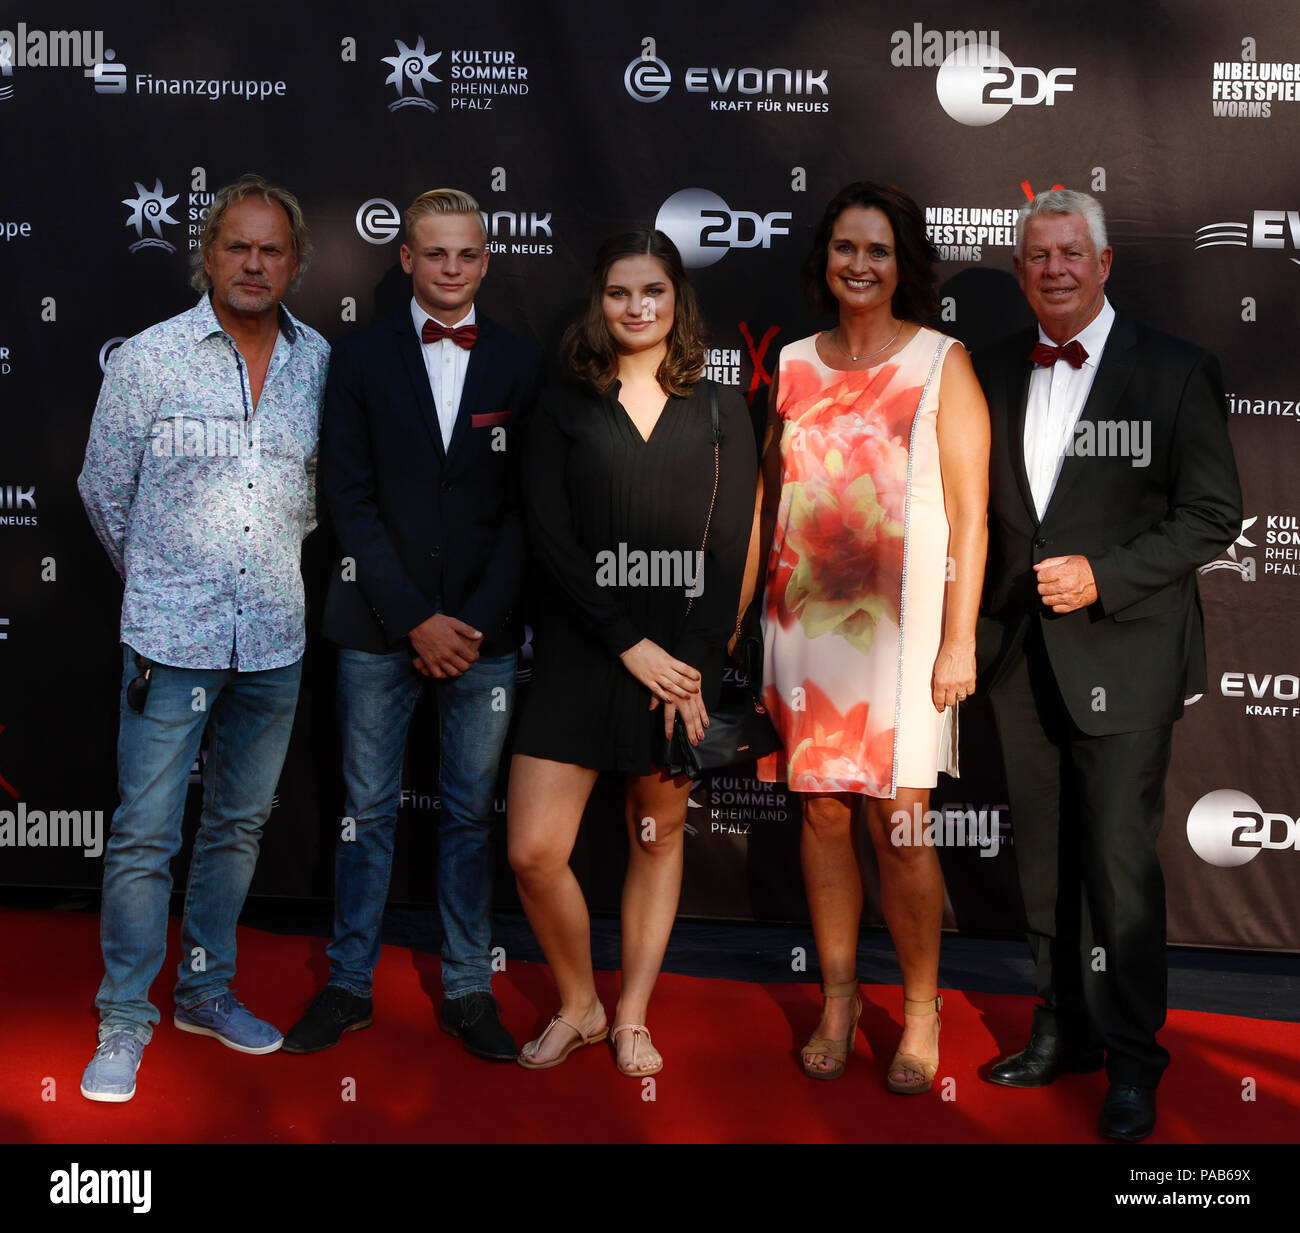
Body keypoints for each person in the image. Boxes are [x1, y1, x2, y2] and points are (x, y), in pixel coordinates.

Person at [974, 188, 1242, 1140]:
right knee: (1043, 861)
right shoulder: (992, 366)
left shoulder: (1174, 370)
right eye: (1037, 255)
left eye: (1070, 253)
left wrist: (1105, 577)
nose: (1053, 269)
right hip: (1015, 657)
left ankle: (1133, 1060)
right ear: (1019, 270)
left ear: (1104, 262)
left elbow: (1213, 514)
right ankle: (1062, 1029)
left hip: (1124, 653)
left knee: (1119, 868)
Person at [76, 175, 329, 1101]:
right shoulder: (149, 359)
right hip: (168, 640)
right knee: (146, 833)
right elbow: (104, 491)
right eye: (238, 247)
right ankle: (124, 1016)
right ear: (209, 256)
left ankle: (206, 990)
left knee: (236, 824)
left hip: (274, 639)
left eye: (272, 249)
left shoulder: (319, 363)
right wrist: (161, 582)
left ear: (295, 261)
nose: (255, 264)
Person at [282, 189, 542, 1061]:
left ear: (486, 259)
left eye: (467, 254)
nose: (452, 269)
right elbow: (347, 502)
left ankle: (468, 987)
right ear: (406, 259)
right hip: (374, 626)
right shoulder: (354, 359)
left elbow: (525, 511)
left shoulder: (519, 360)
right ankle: (349, 984)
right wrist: (414, 619)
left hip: (484, 633)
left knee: (472, 816)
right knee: (364, 812)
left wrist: (465, 621)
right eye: (435, 255)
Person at [753, 182, 989, 1090]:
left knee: (902, 825)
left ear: (905, 265)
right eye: (846, 247)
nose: (860, 264)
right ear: (825, 259)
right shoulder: (796, 364)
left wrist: (957, 640)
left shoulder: (942, 362)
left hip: (906, 639)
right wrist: (746, 619)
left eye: (879, 250)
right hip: (807, 624)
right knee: (820, 815)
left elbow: (971, 520)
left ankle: (921, 1011)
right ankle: (840, 998)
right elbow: (775, 499)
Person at [507, 230, 756, 1076]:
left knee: (656, 836)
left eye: (653, 290)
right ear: (598, 302)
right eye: (619, 293)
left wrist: (691, 660)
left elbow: (729, 549)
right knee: (534, 850)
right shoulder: (563, 401)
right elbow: (550, 537)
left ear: (677, 298)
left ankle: (632, 1015)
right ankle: (578, 1003)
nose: (637, 307)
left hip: (679, 666)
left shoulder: (722, 406)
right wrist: (627, 643)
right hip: (584, 648)